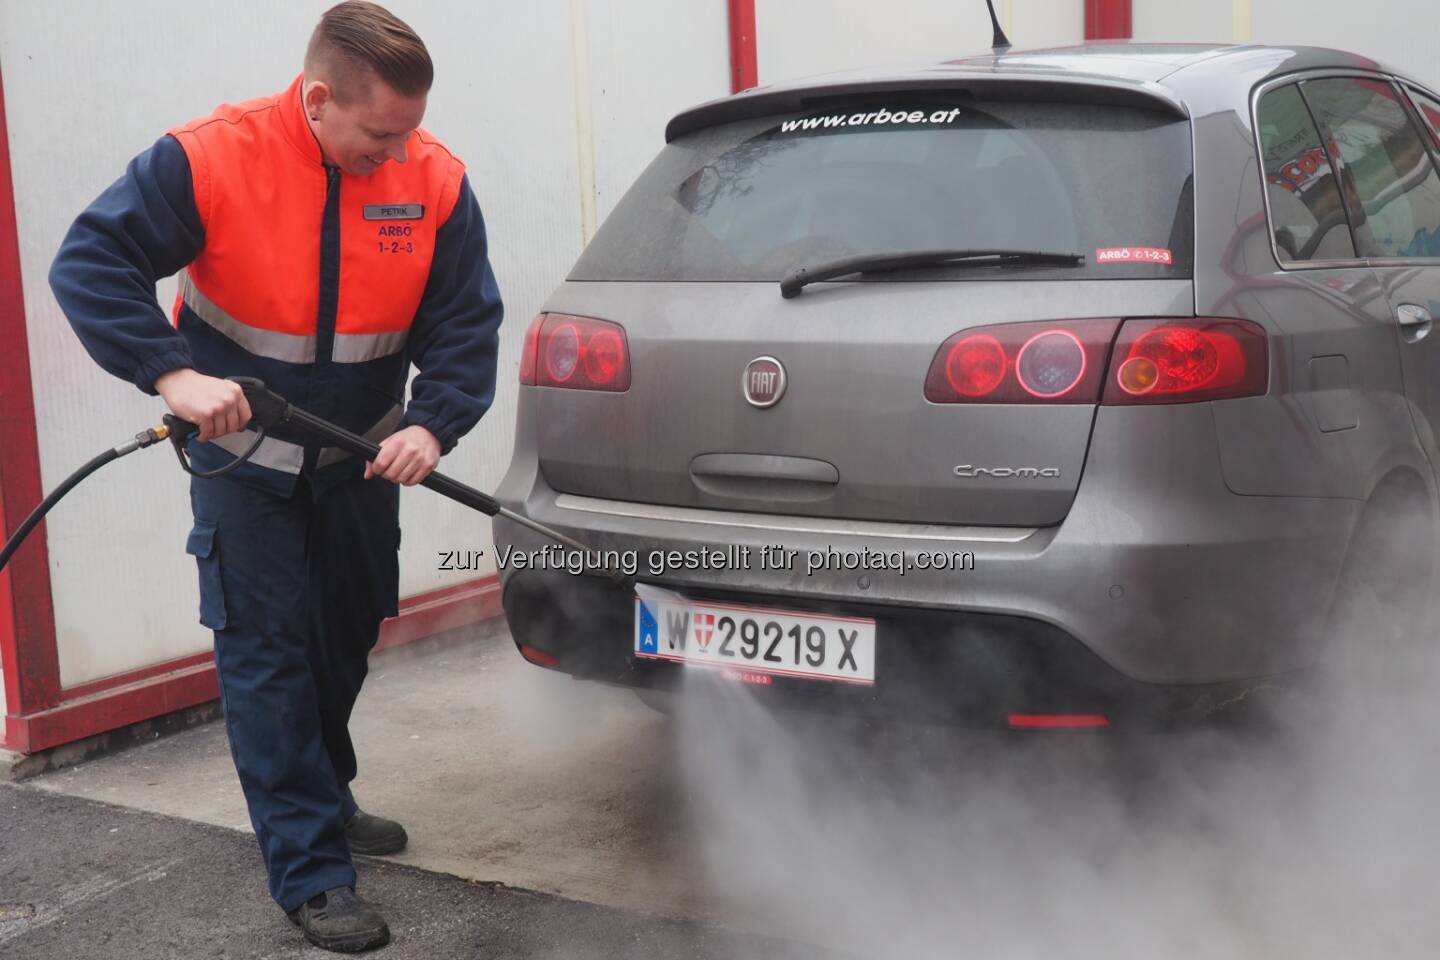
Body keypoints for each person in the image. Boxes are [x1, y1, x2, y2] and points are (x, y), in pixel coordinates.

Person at [48, 2, 503, 951]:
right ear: (317, 98)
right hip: (241, 466)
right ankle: (309, 872)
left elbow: (464, 322)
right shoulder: (211, 158)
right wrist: (171, 371)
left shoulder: (434, 179)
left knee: (343, 635)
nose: (397, 151)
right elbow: (91, 261)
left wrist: (434, 423)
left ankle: (323, 795)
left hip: (360, 461)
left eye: (409, 130)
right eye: (379, 133)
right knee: (265, 656)